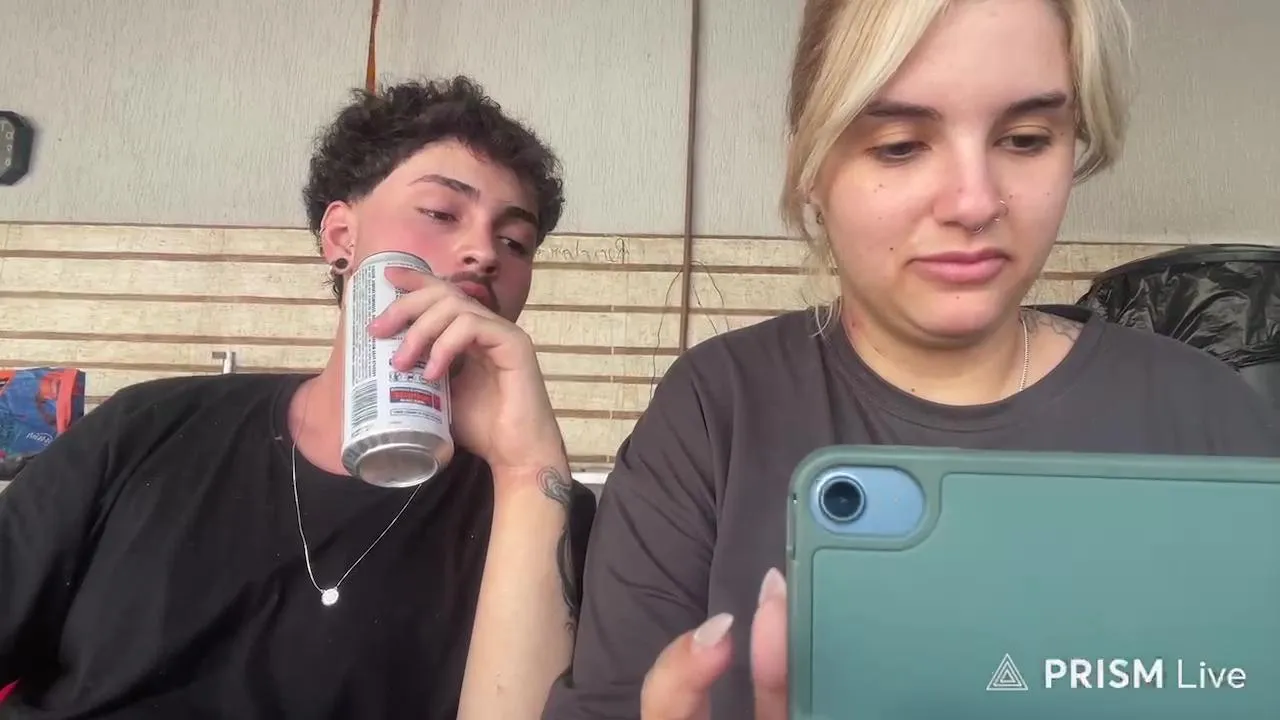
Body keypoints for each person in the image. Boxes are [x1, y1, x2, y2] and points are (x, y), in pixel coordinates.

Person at [540, 0, 1280, 718]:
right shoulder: (715, 410)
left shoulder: (1202, 413)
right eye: (899, 145)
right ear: (811, 165)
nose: (974, 202)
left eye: (1026, 139)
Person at [0, 75, 597, 719]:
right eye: (440, 213)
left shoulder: (537, 513)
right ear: (341, 237)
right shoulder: (145, 428)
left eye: (515, 242)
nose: (484, 253)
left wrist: (526, 467)